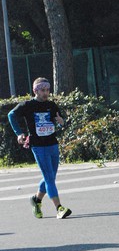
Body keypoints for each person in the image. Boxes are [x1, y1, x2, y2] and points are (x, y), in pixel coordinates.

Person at [8, 77, 72, 220]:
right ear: (35, 91)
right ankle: (59, 208)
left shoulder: (52, 105)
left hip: (52, 144)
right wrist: (19, 133)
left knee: (50, 177)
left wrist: (62, 122)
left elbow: (60, 121)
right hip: (38, 146)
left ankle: (36, 200)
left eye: (47, 90)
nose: (46, 93)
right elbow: (11, 115)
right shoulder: (27, 105)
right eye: (43, 90)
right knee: (49, 177)